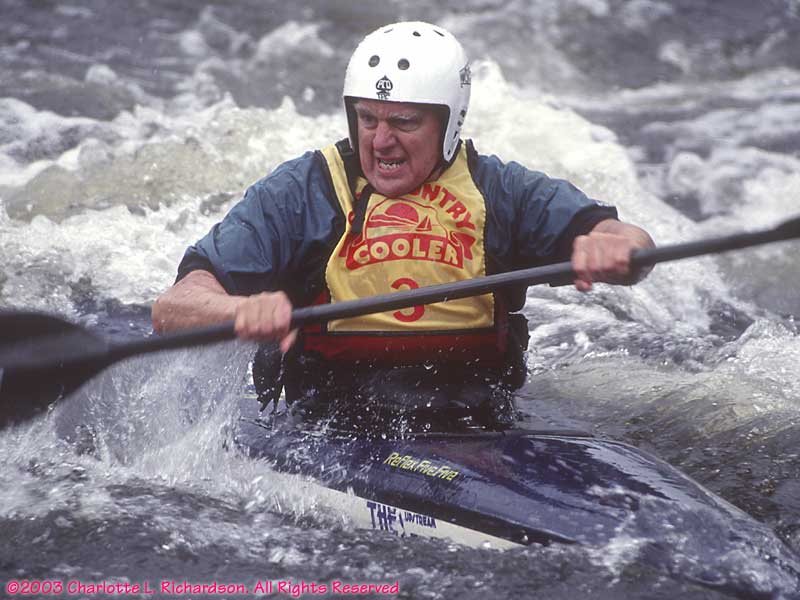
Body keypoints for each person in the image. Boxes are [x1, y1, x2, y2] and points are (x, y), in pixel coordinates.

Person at [152, 21, 654, 431]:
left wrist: (612, 249)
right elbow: (173, 308)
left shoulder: (501, 191)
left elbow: (628, 242)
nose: (381, 141)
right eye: (368, 119)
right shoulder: (303, 192)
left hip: (478, 421)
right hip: (330, 425)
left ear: (449, 124)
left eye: (404, 122)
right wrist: (238, 310)